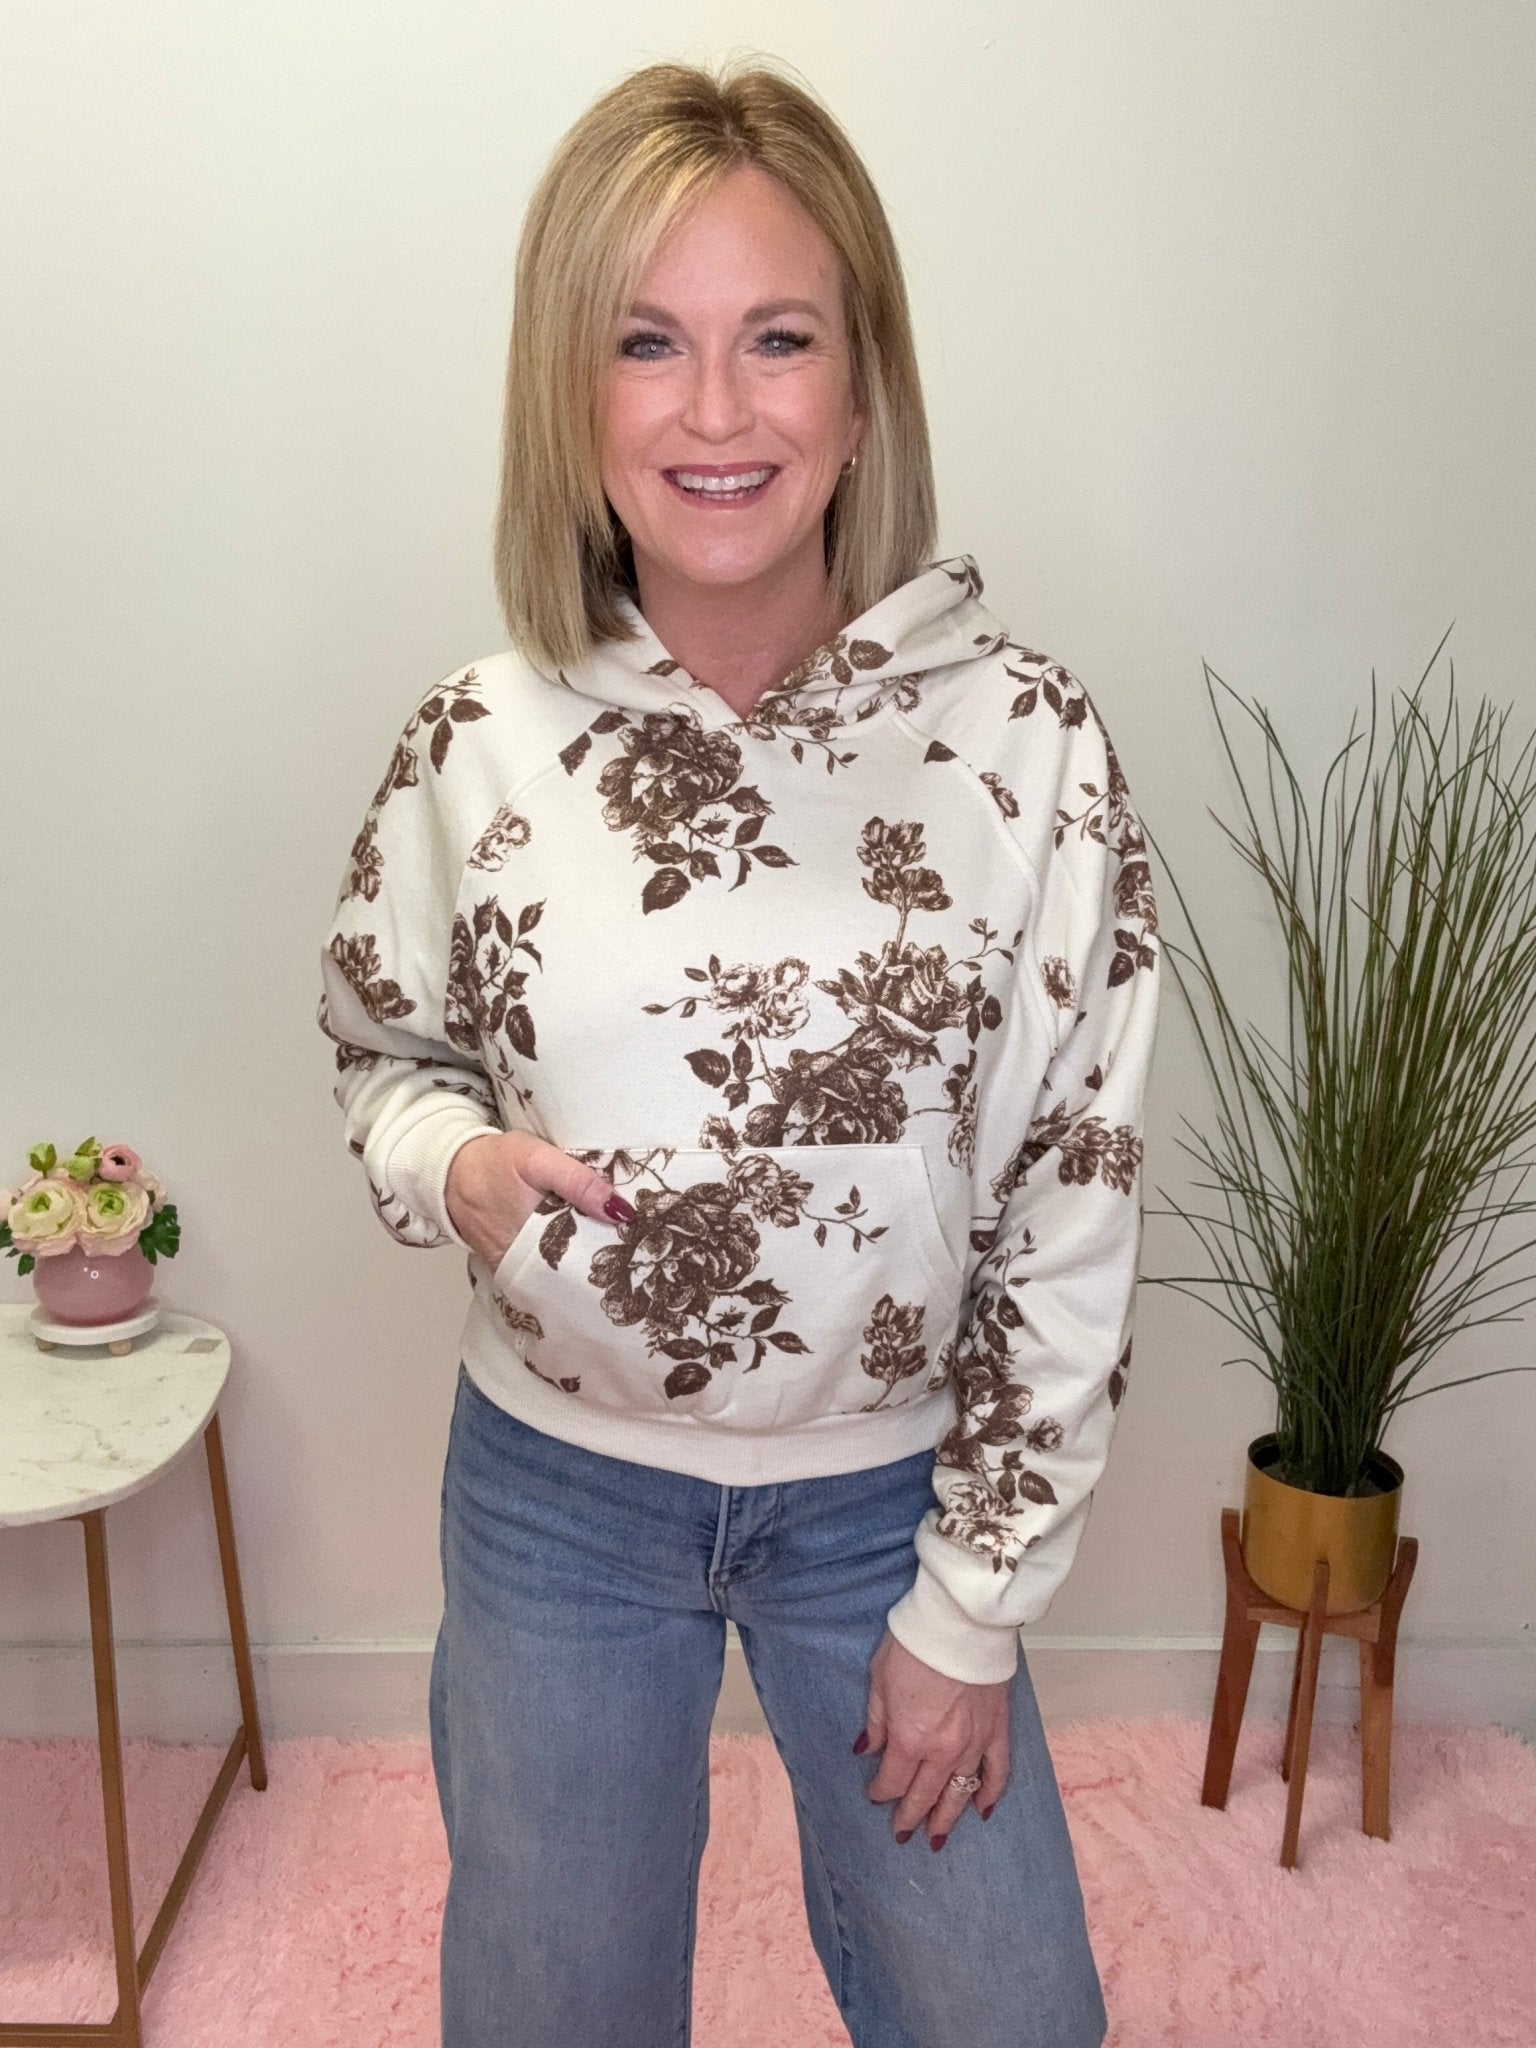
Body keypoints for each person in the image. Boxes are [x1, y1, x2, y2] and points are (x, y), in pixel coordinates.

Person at [317, 53, 1158, 2048]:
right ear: (571, 396)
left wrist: (972, 1608)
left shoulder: (1028, 746)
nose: (716, 412)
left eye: (778, 339)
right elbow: (383, 1054)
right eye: (648, 343)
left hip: (890, 1504)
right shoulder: (475, 740)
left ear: (863, 393)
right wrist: (453, 1165)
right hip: (557, 1497)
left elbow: (1078, 1198)